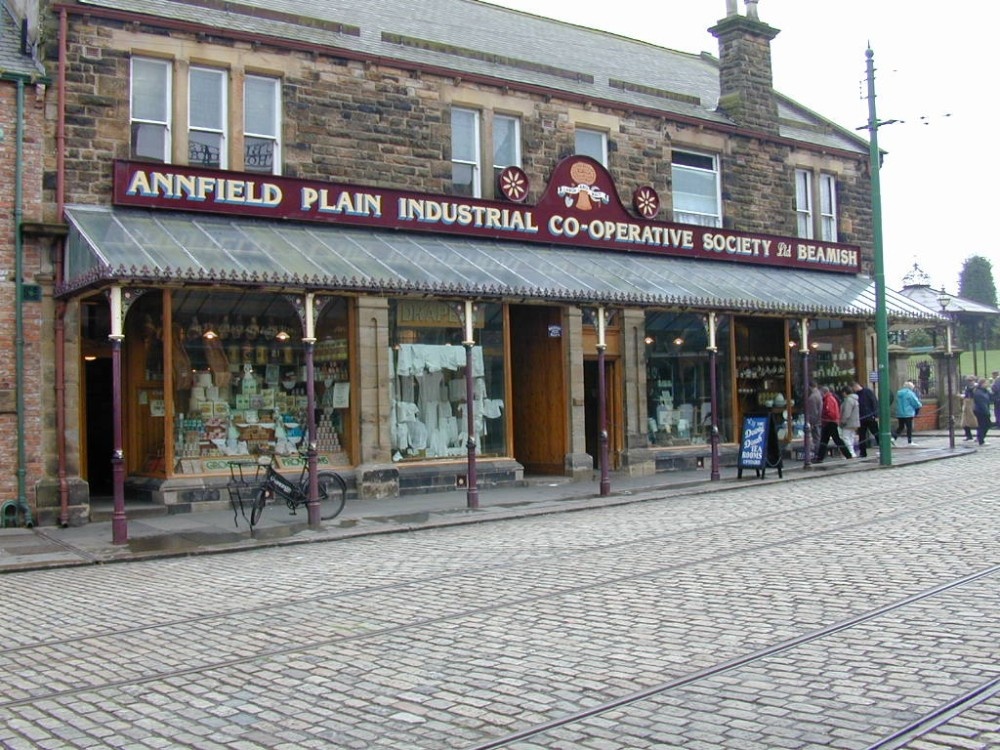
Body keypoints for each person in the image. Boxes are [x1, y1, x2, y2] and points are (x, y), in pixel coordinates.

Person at [814, 386, 852, 462]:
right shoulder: (830, 398)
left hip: (830, 422)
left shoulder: (829, 399)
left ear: (824, 393)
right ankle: (820, 458)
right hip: (829, 422)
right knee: (825, 440)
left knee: (835, 439)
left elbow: (831, 412)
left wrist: (824, 417)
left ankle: (848, 455)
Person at [891, 381, 922, 446]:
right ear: (911, 387)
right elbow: (915, 403)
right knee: (909, 427)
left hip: (900, 413)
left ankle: (893, 438)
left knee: (901, 426)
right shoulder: (910, 393)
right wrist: (919, 406)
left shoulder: (899, 393)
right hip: (908, 413)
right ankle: (910, 441)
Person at [852, 381, 879, 457]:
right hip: (861, 418)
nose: (854, 389)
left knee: (876, 433)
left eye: (854, 387)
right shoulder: (856, 395)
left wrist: (875, 415)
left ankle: (882, 449)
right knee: (862, 436)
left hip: (870, 417)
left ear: (856, 386)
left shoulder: (868, 392)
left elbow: (874, 402)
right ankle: (862, 452)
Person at [839, 385, 859, 458]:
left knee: (846, 438)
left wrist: (842, 421)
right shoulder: (855, 399)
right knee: (851, 437)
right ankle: (852, 452)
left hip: (848, 423)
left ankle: (850, 452)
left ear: (845, 392)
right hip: (855, 422)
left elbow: (847, 413)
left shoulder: (848, 400)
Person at [972, 377, 991, 446]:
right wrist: (987, 412)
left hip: (983, 410)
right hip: (980, 411)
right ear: (982, 384)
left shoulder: (985, 391)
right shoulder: (978, 392)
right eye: (986, 383)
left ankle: (980, 438)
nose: (988, 384)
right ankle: (981, 440)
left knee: (985, 425)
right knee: (984, 425)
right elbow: (982, 403)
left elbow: (990, 398)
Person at [806, 381, 823, 459]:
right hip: (820, 420)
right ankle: (819, 453)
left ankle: (817, 454)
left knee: (816, 438)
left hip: (816, 421)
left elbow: (813, 412)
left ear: (810, 387)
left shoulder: (812, 397)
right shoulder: (819, 394)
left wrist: (812, 422)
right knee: (818, 437)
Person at [961, 375, 977, 441]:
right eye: (968, 381)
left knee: (976, 421)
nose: (969, 382)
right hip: (967, 405)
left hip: (973, 404)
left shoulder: (976, 387)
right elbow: (966, 395)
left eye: (970, 380)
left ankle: (978, 436)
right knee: (965, 422)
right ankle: (968, 435)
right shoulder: (967, 387)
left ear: (974, 380)